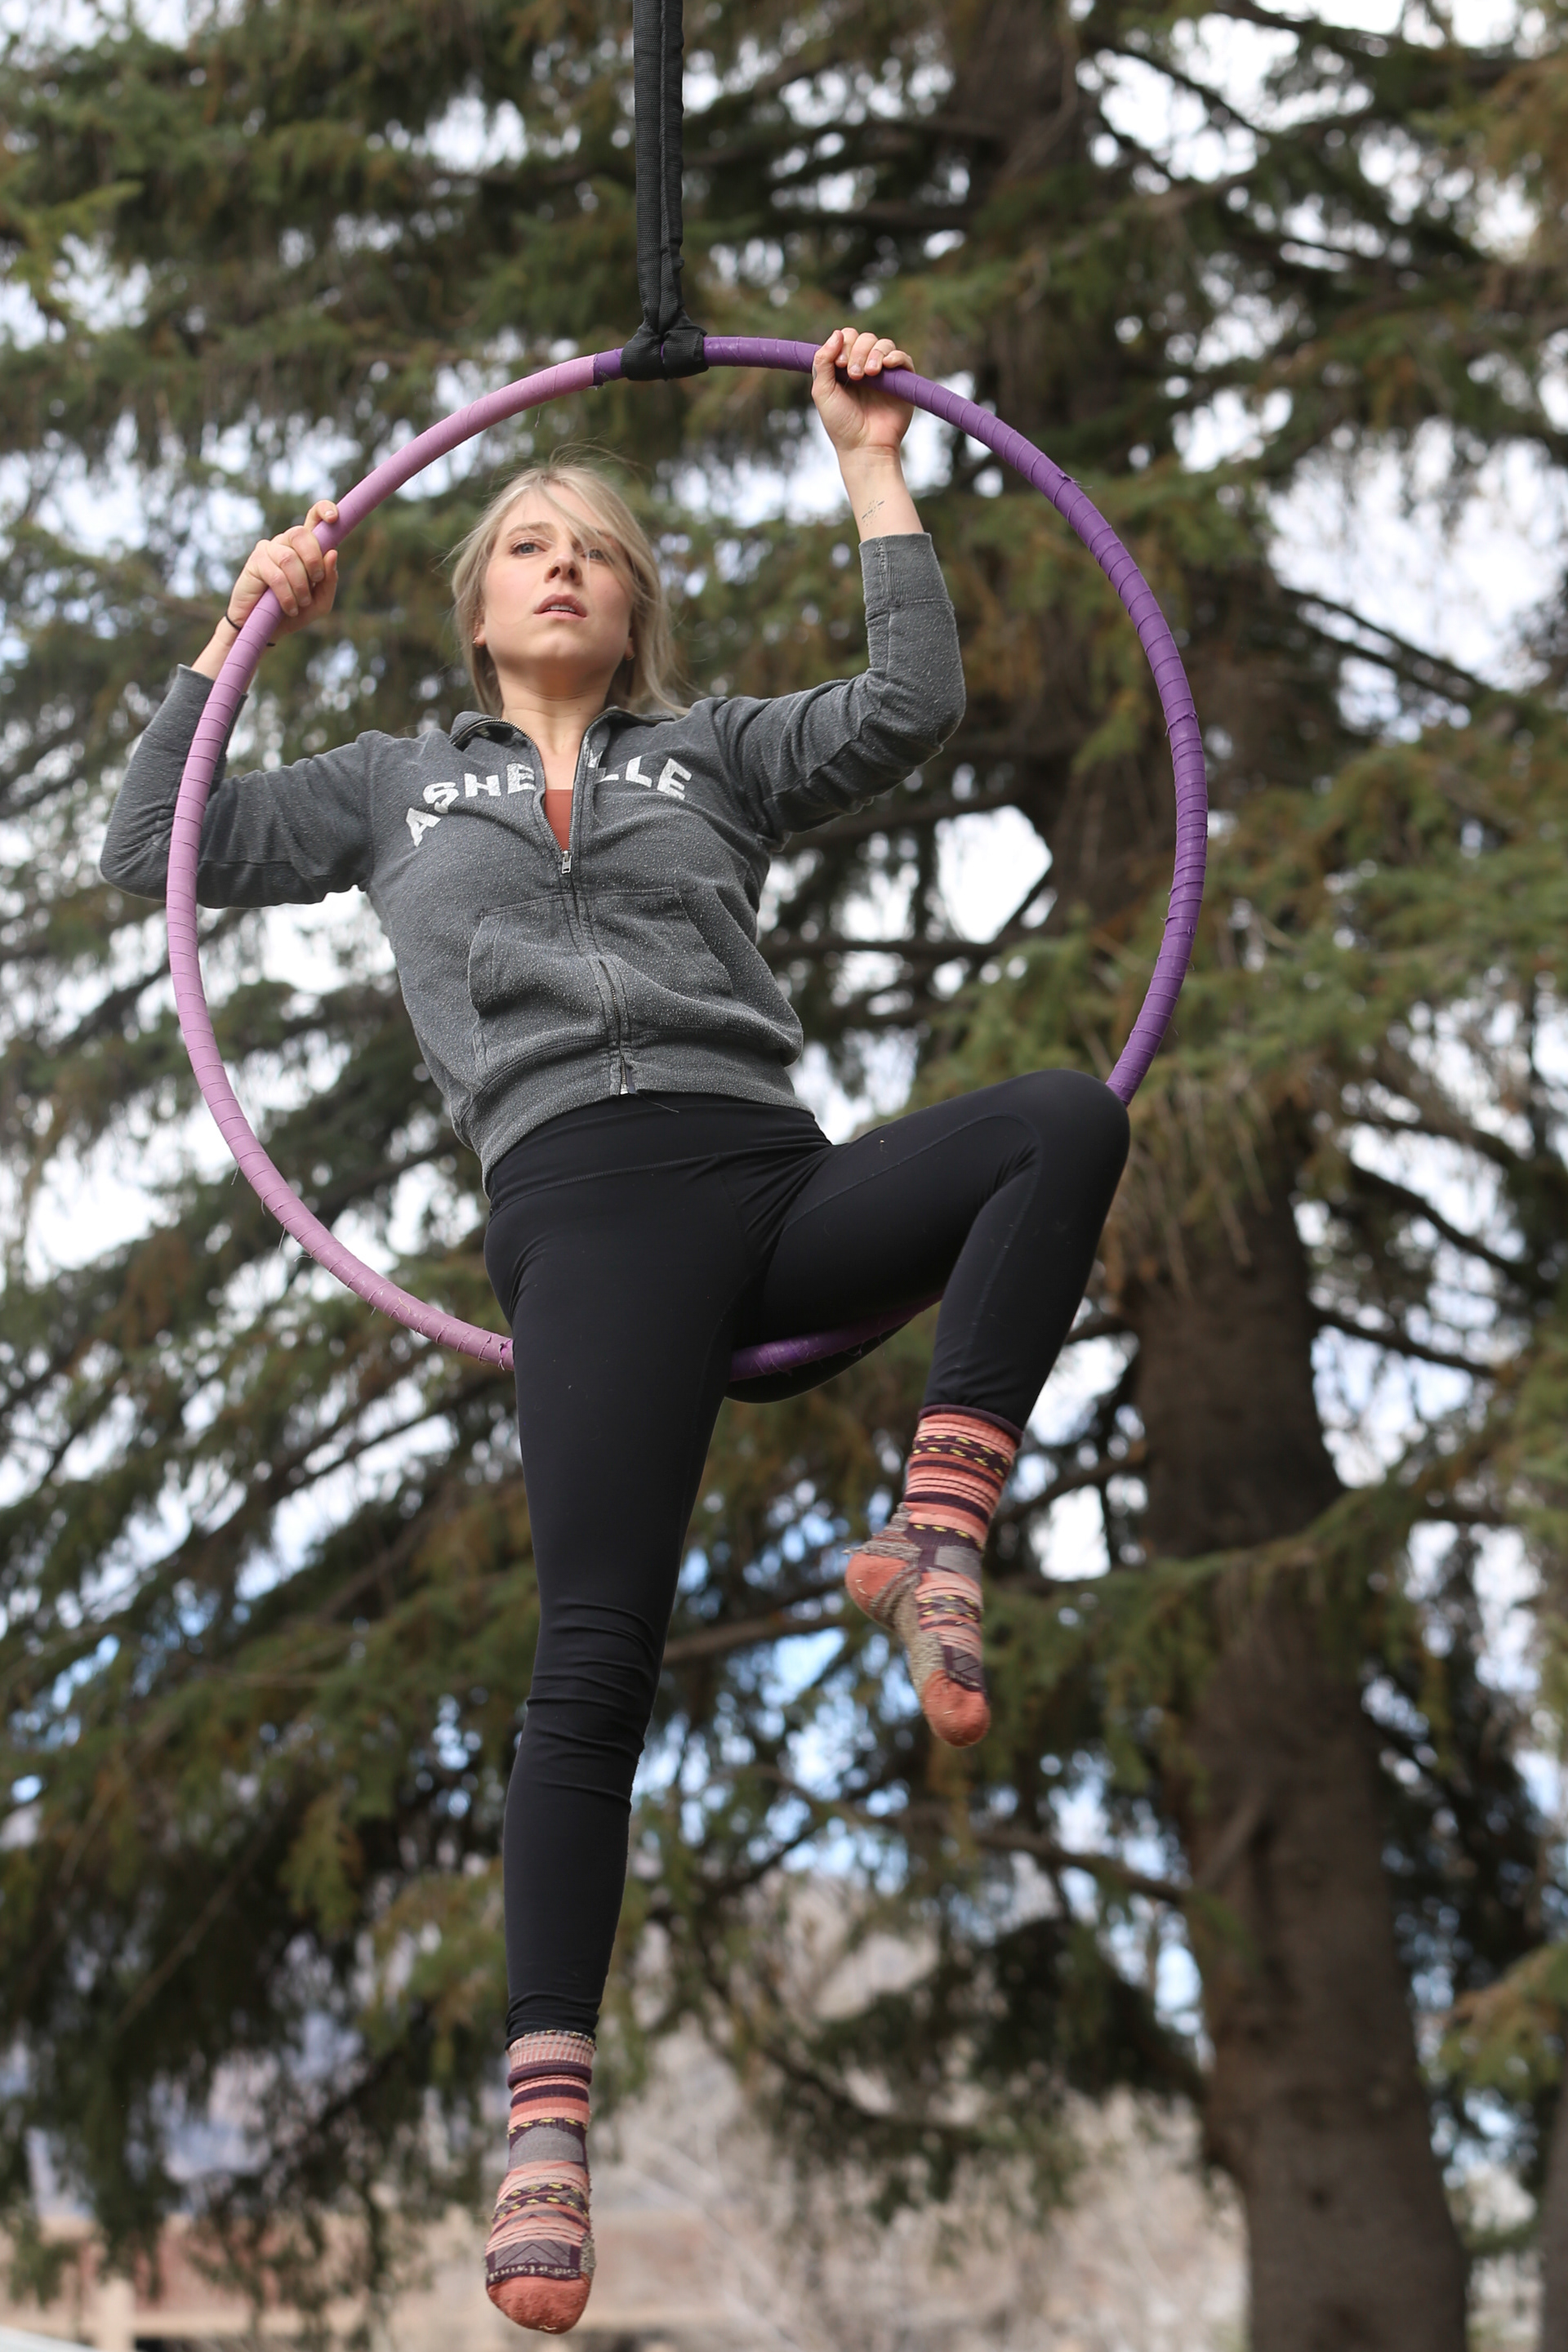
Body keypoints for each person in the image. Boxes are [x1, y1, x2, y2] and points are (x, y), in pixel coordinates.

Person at [100, 327, 1130, 2336]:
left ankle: (941, 1525)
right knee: (593, 1661)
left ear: (632, 603)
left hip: (774, 1179)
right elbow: (158, 855)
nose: (560, 562)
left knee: (1062, 1119)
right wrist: (242, 637)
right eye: (524, 545)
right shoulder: (396, 791)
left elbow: (909, 701)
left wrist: (870, 461)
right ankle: (547, 2123)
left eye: (594, 546)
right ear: (476, 604)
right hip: (588, 1224)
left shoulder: (712, 757)